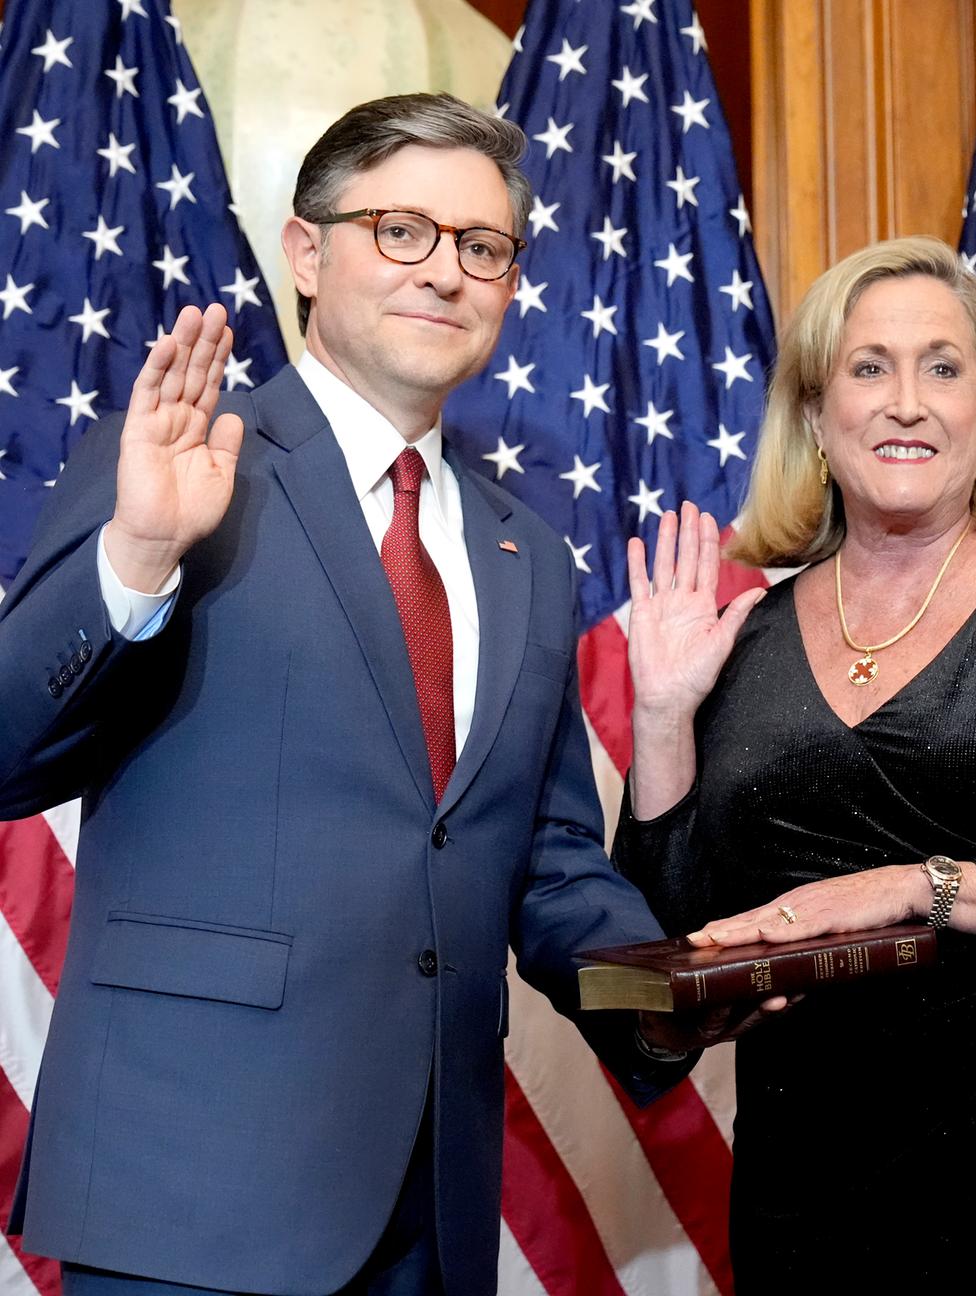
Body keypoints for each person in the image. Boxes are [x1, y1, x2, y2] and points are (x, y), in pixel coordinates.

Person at [0, 94, 684, 1296]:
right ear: (308, 254)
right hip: (194, 1195)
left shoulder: (530, 550)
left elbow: (547, 860)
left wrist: (673, 994)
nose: (447, 272)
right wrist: (140, 558)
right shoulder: (178, 457)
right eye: (403, 230)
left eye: (482, 246)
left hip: (435, 1206)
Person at [617, 236, 976, 1287]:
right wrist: (662, 714)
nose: (907, 402)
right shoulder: (750, 635)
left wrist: (919, 890)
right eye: (869, 367)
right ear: (816, 417)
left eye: (943, 368)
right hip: (813, 1180)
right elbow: (671, 950)